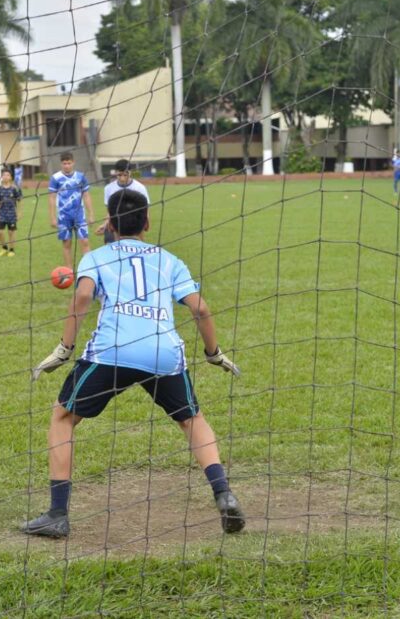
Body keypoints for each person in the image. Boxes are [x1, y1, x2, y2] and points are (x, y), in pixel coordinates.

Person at [23, 189, 244, 539]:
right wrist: (213, 353)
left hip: (113, 351)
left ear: (109, 224)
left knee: (63, 417)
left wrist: (65, 349)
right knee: (191, 420)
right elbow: (200, 308)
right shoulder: (169, 259)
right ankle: (224, 493)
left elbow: (82, 297)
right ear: (148, 222)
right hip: (163, 353)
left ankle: (56, 514)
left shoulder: (96, 257)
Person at [47, 151, 94, 266]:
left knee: (85, 241)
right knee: (67, 243)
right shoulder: (55, 178)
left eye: (69, 163)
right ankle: (69, 271)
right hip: (64, 216)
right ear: (61, 164)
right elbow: (52, 198)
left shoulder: (80, 177)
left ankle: (87, 269)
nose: (66, 166)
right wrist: (53, 217)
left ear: (73, 163)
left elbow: (86, 195)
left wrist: (91, 214)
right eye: (64, 163)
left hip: (79, 215)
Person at [96, 159, 149, 243]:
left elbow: (145, 209)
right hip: (118, 222)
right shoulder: (108, 188)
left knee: (139, 244)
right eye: (119, 175)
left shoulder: (140, 188)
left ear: (130, 172)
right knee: (118, 245)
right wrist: (105, 224)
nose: (122, 178)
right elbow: (110, 211)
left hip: (136, 221)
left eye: (125, 175)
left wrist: (145, 222)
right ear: (116, 173)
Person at [0, 169, 23, 257]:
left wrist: (19, 213)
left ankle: (12, 250)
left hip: (12, 214)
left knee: (11, 232)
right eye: (4, 175)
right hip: (2, 214)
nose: (5, 176)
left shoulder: (14, 188)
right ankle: (4, 248)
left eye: (7, 175)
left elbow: (20, 201)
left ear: (11, 177)